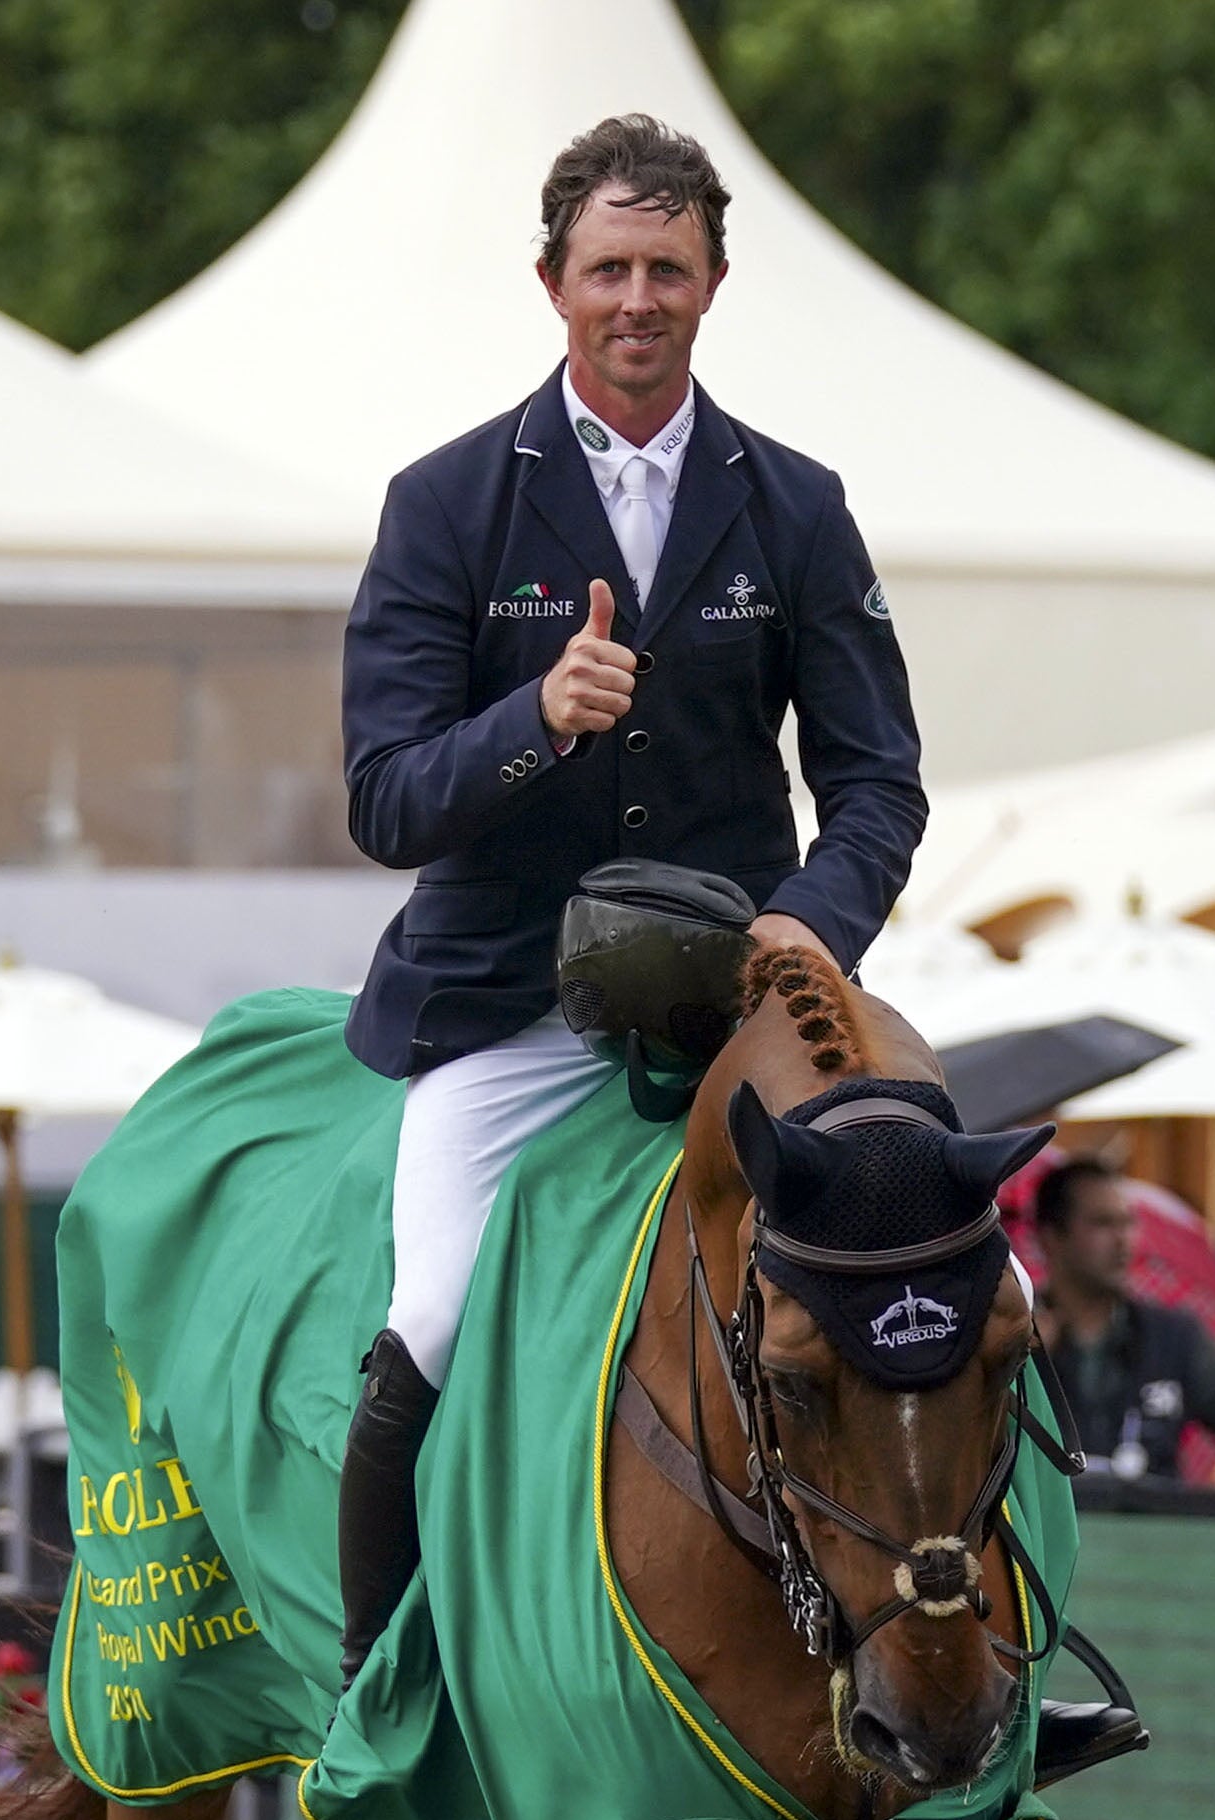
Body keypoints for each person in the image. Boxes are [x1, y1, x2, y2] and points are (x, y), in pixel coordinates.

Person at [334, 112, 926, 1682]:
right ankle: (382, 1691)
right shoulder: (444, 502)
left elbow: (879, 783)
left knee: (947, 1270)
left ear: (715, 281)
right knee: (440, 1320)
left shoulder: (795, 504)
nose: (638, 297)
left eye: (668, 266)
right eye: (609, 267)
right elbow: (384, 797)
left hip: (738, 1002)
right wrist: (536, 718)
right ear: (553, 284)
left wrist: (817, 916)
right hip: (505, 1007)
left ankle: (991, 1662)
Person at [1034, 1157, 1215, 1484]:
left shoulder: (1173, 1334)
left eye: (1128, 1222)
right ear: (1052, 1237)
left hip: (1149, 1527)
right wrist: (1019, 1367)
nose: (1123, 1240)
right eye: (1103, 1223)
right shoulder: (1014, 1336)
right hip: (1048, 1531)